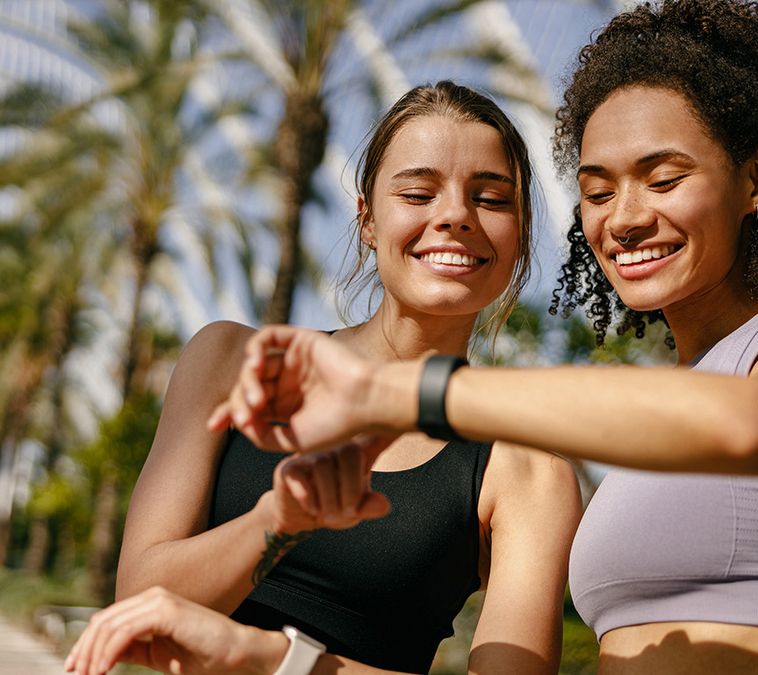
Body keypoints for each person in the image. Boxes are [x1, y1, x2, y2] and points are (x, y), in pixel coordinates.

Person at [70, 1, 758, 673]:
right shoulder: (642, 434)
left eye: (665, 176)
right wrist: (279, 522)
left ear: (757, 179)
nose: (627, 215)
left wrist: (399, 393)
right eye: (599, 189)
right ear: (365, 219)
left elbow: (747, 424)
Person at [65, 81, 581, 675]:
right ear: (367, 218)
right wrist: (277, 521)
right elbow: (140, 602)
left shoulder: (526, 472)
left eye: (491, 199)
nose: (456, 216)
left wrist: (278, 660)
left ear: (518, 237)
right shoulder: (231, 362)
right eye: (417, 192)